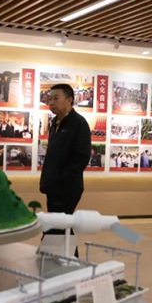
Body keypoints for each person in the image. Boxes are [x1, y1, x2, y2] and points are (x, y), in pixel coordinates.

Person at [39, 84, 91, 255]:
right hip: (53, 185)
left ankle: (50, 258)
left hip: (67, 187)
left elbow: (81, 157)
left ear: (69, 100)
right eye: (49, 99)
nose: (51, 102)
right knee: (60, 226)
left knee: (57, 225)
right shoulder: (55, 123)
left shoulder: (79, 124)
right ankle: (65, 261)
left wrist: (62, 179)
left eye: (56, 98)